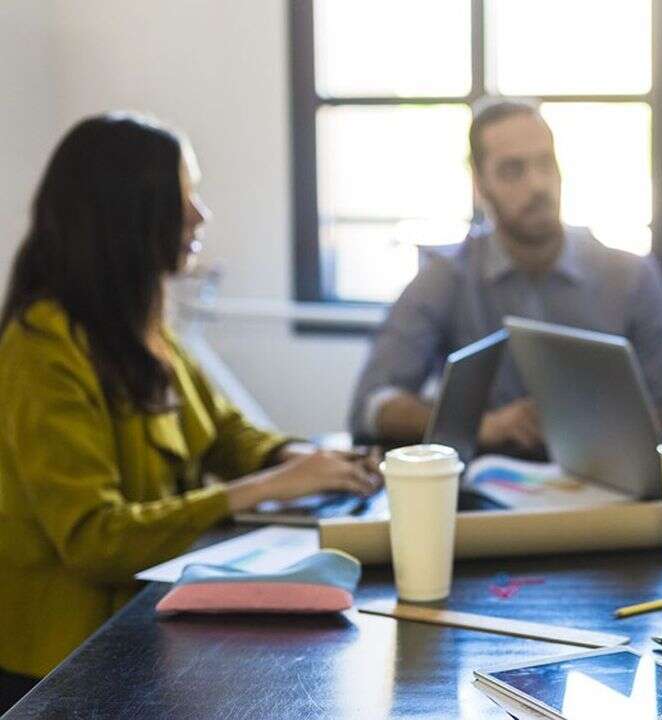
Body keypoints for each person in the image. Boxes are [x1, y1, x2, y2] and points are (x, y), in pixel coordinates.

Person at [0, 114, 381, 710]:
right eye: (183, 197)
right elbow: (96, 540)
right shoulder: (43, 349)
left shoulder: (141, 326)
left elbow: (223, 431)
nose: (200, 215)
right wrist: (260, 488)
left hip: (143, 632)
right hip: (63, 667)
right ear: (126, 216)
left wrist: (296, 457)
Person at [349, 98, 662, 452]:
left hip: (609, 487)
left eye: (545, 164)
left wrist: (601, 428)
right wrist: (482, 426)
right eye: (512, 171)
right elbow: (372, 407)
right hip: (486, 492)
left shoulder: (632, 277)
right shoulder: (446, 278)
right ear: (479, 186)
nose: (537, 185)